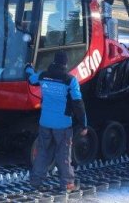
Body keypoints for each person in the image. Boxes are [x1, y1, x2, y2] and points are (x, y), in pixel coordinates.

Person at [25, 51, 88, 193]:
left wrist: (28, 67)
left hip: (45, 122)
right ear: (65, 63)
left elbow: (30, 78)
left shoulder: (43, 75)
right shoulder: (70, 80)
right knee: (63, 154)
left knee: (42, 152)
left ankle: (36, 182)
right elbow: (78, 103)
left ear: (54, 62)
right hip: (62, 125)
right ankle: (67, 185)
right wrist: (83, 124)